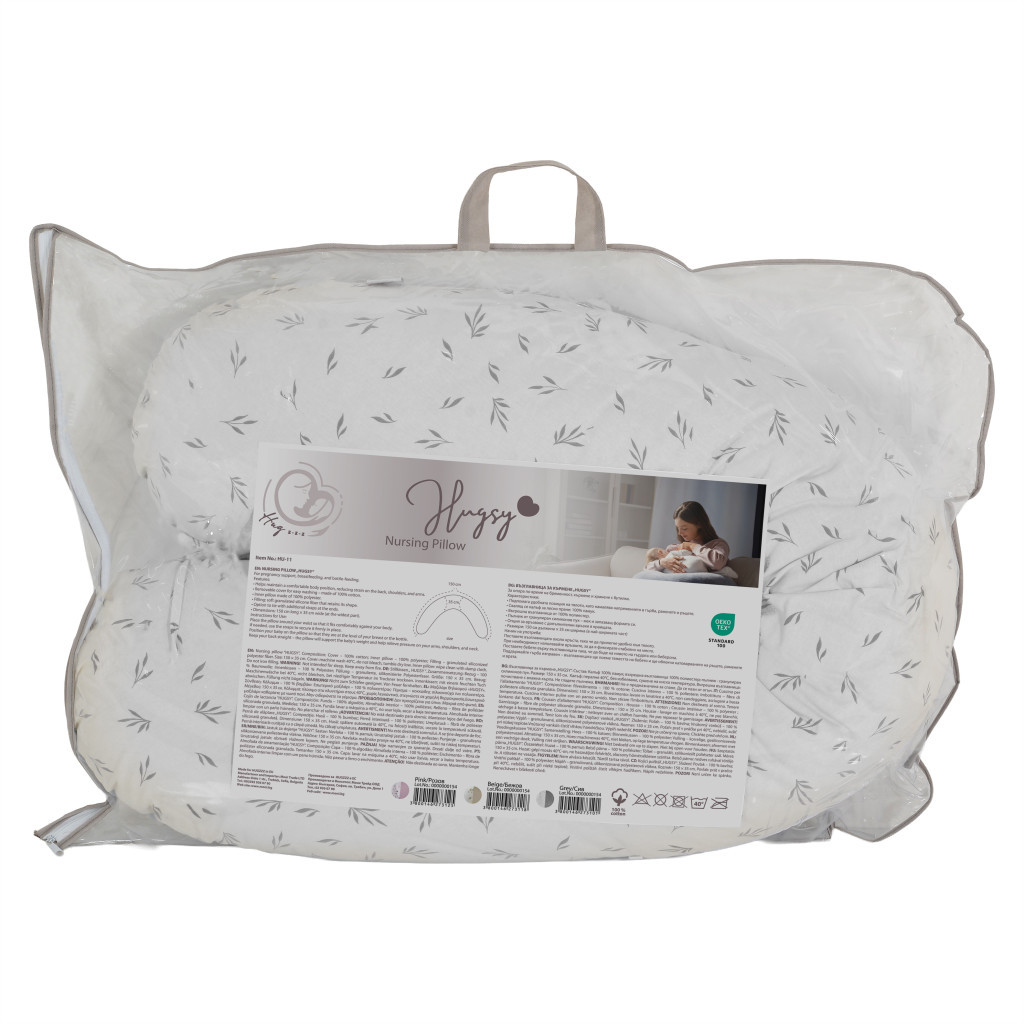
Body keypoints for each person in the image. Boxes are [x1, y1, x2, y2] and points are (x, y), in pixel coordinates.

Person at [633, 500, 737, 585]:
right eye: (677, 528)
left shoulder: (718, 545)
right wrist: (662, 562)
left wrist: (693, 546)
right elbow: (647, 568)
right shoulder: (674, 549)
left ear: (699, 524)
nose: (679, 533)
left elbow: (717, 563)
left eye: (684, 528)